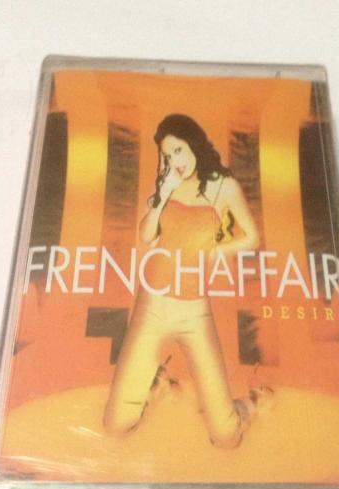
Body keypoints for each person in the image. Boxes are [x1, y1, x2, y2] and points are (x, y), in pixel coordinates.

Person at [103, 114, 260, 448]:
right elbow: (146, 236)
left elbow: (251, 236)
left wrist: (215, 250)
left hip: (193, 310)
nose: (175, 160)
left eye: (178, 150)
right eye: (167, 155)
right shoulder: (169, 183)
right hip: (153, 303)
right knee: (116, 425)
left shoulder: (224, 187)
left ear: (193, 143)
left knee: (226, 436)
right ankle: (157, 387)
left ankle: (252, 404)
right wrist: (162, 195)